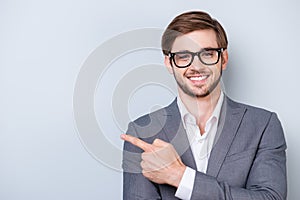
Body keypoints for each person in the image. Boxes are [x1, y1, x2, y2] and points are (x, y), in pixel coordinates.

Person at [121, 11, 287, 200]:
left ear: (223, 59)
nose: (196, 66)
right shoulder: (142, 133)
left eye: (207, 54)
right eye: (183, 56)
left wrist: (181, 177)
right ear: (169, 63)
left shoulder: (263, 125)